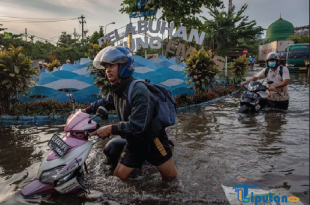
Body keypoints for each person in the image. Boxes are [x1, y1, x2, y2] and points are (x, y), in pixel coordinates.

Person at [83, 46, 178, 180]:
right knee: (119, 178)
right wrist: (84, 111)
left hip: (153, 141)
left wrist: (110, 128)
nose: (108, 70)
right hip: (134, 141)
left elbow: (138, 126)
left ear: (124, 67)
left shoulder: (139, 90)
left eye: (112, 65)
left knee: (171, 180)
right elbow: (106, 102)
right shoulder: (118, 89)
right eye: (105, 67)